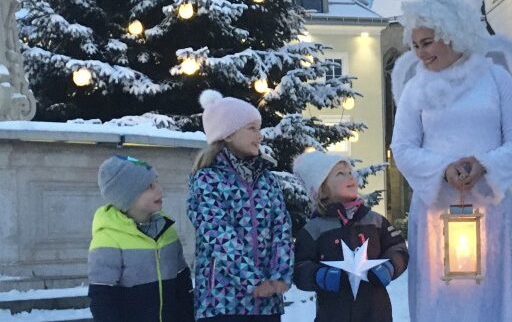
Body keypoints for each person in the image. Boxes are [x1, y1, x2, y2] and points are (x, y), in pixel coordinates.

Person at [390, 0, 512, 322]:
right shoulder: (415, 90)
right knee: (439, 296)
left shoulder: (496, 79)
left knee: (489, 295)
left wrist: (484, 164)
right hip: (435, 213)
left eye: (427, 43)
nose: (421, 54)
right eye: (416, 46)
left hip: (489, 209)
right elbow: (403, 147)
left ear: (451, 34)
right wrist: (443, 169)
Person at [187, 89, 293, 321]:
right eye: (252, 128)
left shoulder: (267, 179)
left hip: (267, 304)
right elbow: (218, 235)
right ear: (228, 134)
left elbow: (282, 229)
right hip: (223, 303)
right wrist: (252, 281)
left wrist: (279, 275)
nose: (260, 136)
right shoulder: (207, 179)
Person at [292, 150, 409, 321]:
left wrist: (390, 266)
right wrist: (320, 275)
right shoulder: (313, 230)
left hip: (376, 314)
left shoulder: (374, 221)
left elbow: (398, 247)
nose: (350, 177)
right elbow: (299, 267)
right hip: (332, 315)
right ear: (322, 189)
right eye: (340, 173)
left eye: (350, 172)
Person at [88, 155, 194, 321]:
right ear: (127, 195)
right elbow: (103, 298)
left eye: (157, 181)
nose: (160, 189)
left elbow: (182, 283)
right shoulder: (108, 238)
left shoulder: (167, 231)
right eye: (149, 186)